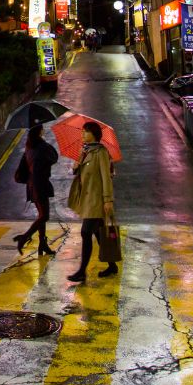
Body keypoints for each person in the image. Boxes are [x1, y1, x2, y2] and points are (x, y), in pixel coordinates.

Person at [67, 120, 116, 282]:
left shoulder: (101, 152)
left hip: (96, 199)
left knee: (85, 232)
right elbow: (78, 172)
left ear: (93, 134)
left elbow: (106, 178)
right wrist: (76, 165)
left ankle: (82, 271)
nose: (82, 134)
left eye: (85, 132)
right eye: (82, 131)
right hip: (86, 198)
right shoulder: (85, 150)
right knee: (98, 233)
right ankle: (112, 265)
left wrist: (108, 200)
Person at [14, 125, 58, 256]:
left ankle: (42, 244)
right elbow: (54, 157)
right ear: (39, 132)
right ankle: (24, 237)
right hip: (41, 185)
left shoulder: (29, 147)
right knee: (45, 216)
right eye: (42, 129)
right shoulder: (42, 147)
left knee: (41, 216)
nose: (44, 130)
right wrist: (44, 142)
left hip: (32, 185)